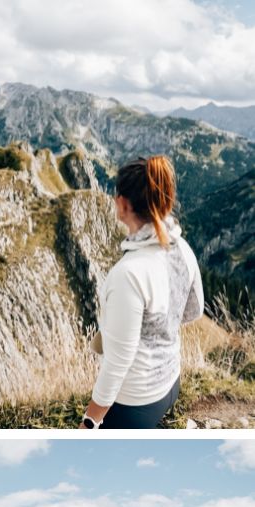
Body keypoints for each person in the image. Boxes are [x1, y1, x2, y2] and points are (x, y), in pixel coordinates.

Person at [81, 155, 203, 429]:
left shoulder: (128, 274)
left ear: (122, 204)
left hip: (138, 400)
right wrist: (157, 328)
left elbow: (117, 365)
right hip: (171, 380)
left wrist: (89, 423)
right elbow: (194, 311)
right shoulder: (183, 249)